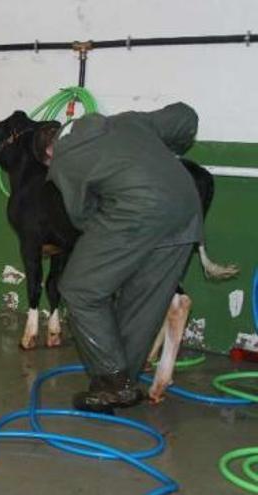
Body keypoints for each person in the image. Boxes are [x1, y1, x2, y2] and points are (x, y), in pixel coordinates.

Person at [35, 102, 202, 413]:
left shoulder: (63, 160)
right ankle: (120, 383)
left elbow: (83, 216)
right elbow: (184, 117)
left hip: (137, 210)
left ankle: (114, 383)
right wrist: (167, 151)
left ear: (48, 154)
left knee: (79, 289)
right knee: (144, 298)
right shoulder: (126, 121)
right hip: (185, 207)